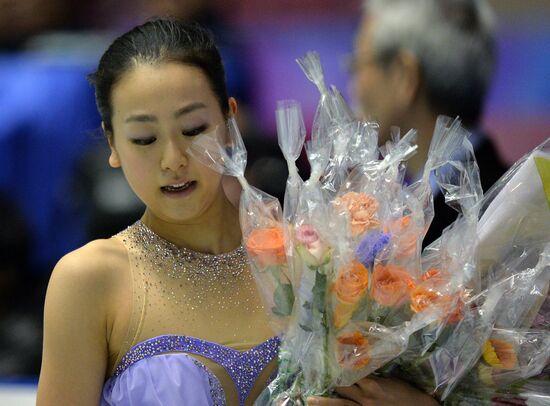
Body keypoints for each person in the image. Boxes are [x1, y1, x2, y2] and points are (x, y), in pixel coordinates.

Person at [37, 18, 437, 406]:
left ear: (230, 121)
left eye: (193, 129)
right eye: (144, 138)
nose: (173, 159)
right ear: (112, 143)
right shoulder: (90, 282)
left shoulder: (316, 260)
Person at [351, 0, 508, 244]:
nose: (354, 88)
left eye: (358, 66)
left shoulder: (481, 230)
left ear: (405, 77)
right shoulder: (510, 195)